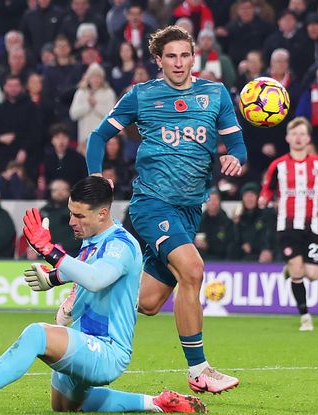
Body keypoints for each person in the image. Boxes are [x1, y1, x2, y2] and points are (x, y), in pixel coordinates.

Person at [0, 176, 206, 415]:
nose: (71, 221)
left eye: (79, 215)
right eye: (71, 212)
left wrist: (51, 252)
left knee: (36, 335)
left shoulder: (120, 244)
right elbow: (83, 272)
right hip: (85, 342)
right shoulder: (92, 243)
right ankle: (157, 402)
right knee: (65, 407)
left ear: (102, 214)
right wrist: (53, 278)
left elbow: (96, 279)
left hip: (107, 351)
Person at [85, 25, 245, 393]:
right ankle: (199, 370)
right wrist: (97, 177)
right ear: (158, 60)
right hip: (153, 203)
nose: (178, 62)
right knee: (193, 270)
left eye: (184, 55)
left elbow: (237, 145)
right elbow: (98, 137)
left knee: (149, 301)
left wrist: (235, 158)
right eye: (170, 56)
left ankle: (84, 296)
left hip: (190, 210)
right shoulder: (141, 96)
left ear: (194, 57)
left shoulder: (215, 94)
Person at [259, 117, 318, 331]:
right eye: (294, 134)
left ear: (308, 138)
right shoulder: (278, 165)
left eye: (302, 134)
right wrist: (263, 199)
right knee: (298, 270)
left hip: (311, 225)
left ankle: (290, 267)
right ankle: (305, 317)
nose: (298, 138)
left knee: (313, 274)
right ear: (287, 137)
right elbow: (268, 188)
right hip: (286, 225)